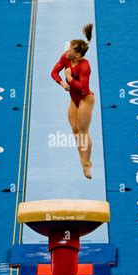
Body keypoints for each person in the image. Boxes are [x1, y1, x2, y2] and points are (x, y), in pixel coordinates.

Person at [51, 24, 95, 179]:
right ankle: (83, 162)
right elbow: (54, 72)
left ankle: (87, 164)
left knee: (83, 132)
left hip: (85, 99)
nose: (66, 51)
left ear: (77, 55)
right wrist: (63, 83)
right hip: (73, 100)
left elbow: (83, 88)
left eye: (70, 49)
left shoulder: (85, 66)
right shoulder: (66, 57)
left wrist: (69, 78)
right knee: (76, 132)